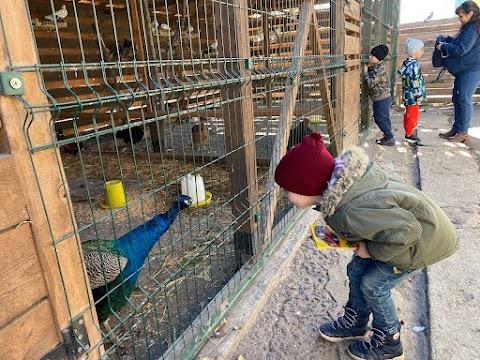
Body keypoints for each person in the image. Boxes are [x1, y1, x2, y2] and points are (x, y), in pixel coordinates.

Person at [274, 132, 459, 360]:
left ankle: (389, 342)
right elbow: (379, 219)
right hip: (404, 233)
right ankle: (356, 322)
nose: (285, 195)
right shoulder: (346, 187)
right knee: (357, 269)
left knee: (374, 285)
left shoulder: (349, 211)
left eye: (288, 190)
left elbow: (407, 232)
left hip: (422, 243)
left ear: (307, 187)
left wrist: (370, 250)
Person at [436, 1, 480, 143]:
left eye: (461, 16)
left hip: (470, 69)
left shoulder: (473, 28)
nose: (459, 19)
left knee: (464, 100)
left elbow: (461, 49)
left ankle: (463, 132)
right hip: (464, 70)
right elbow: (459, 43)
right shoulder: (469, 27)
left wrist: (444, 45)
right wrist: (448, 39)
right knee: (457, 99)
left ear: (470, 14)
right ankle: (457, 128)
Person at [364, 45, 395, 146]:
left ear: (377, 57)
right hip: (384, 97)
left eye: (372, 55)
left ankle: (390, 137)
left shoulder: (380, 69)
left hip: (380, 98)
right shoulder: (379, 66)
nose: (370, 57)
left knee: (379, 119)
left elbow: (370, 83)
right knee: (385, 118)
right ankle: (387, 136)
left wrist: (365, 72)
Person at [398, 38, 426, 144]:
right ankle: (409, 134)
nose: (422, 52)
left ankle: (408, 131)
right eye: (421, 50)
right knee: (413, 114)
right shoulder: (414, 65)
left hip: (407, 94)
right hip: (413, 95)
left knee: (408, 113)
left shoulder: (406, 63)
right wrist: (419, 94)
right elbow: (415, 81)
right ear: (415, 51)